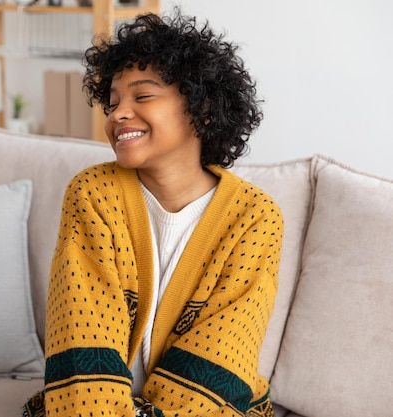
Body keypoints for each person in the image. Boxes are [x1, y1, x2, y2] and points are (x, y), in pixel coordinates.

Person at [24, 10, 283, 417]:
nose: (118, 114)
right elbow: (80, 337)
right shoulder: (93, 194)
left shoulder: (254, 217)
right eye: (112, 102)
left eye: (142, 96)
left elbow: (222, 354)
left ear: (203, 108)